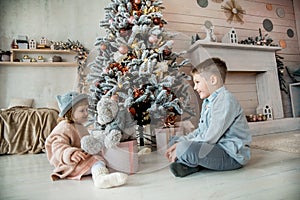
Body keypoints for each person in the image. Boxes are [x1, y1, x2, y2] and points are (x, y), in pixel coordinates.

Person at [165, 57, 252, 177]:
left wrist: (182, 146)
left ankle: (189, 162)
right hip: (214, 147)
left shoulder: (225, 100)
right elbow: (201, 131)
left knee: (185, 148)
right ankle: (191, 163)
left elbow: (210, 137)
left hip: (230, 155)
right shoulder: (208, 102)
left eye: (197, 82)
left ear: (212, 80)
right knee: (175, 141)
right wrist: (181, 141)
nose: (195, 88)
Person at [45, 91, 128, 188]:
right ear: (70, 113)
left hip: (82, 157)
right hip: (71, 164)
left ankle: (128, 154)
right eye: (82, 111)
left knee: (103, 153)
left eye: (87, 110)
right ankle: (100, 178)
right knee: (96, 160)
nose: (86, 113)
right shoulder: (64, 127)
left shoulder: (79, 125)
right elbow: (57, 146)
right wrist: (71, 154)